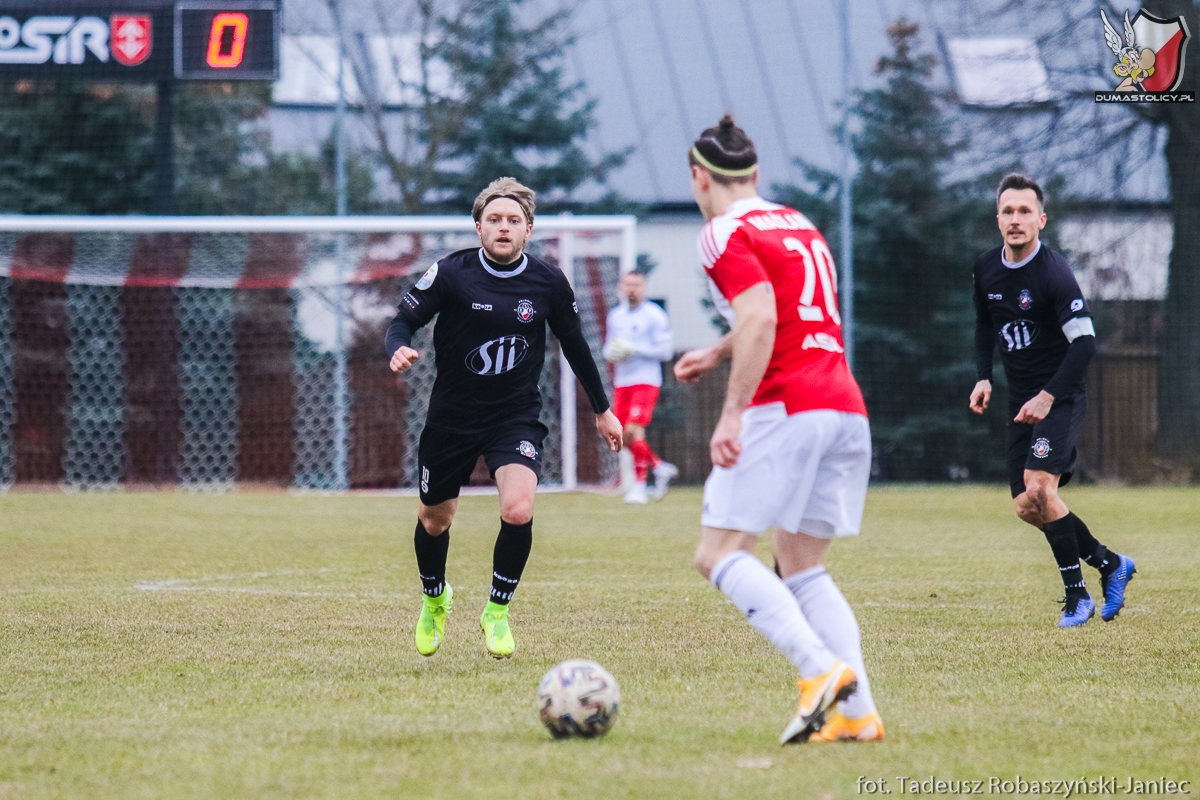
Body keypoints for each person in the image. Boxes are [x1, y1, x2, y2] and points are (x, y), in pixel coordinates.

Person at [675, 115, 882, 744]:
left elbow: (763, 317)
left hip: (785, 406)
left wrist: (733, 410)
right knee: (802, 566)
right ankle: (857, 713)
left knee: (717, 554)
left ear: (699, 178)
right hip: (844, 405)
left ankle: (820, 674)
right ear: (756, 175)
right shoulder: (798, 223)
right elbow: (784, 311)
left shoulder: (721, 231)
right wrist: (717, 350)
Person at [385, 177, 623, 659]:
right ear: (478, 227)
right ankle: (435, 599)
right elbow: (402, 320)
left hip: (514, 416)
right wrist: (398, 348)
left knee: (518, 509)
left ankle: (497, 612)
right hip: (452, 417)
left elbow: (576, 346)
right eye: (494, 219)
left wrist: (603, 409)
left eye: (513, 220)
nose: (503, 227)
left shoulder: (548, 282)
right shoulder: (451, 273)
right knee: (435, 520)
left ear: (528, 230)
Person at [970, 173, 1136, 628]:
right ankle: (1109, 564)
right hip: (1019, 403)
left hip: (1058, 397)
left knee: (1041, 487)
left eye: (1025, 211)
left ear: (1041, 220)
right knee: (1027, 505)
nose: (1016, 219)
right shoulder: (986, 268)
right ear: (998, 218)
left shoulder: (1054, 273)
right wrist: (983, 378)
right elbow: (986, 325)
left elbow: (1084, 344)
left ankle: (1076, 596)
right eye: (1008, 211)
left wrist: (1047, 397)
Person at [603, 271, 678, 503]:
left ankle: (639, 486)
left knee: (634, 431)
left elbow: (666, 352)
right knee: (620, 437)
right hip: (622, 382)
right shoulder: (615, 316)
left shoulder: (655, 316)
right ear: (621, 288)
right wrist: (613, 352)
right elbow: (608, 347)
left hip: (646, 380)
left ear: (644, 289)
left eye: (637, 285)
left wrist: (633, 349)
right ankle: (659, 466)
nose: (632, 289)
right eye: (628, 284)